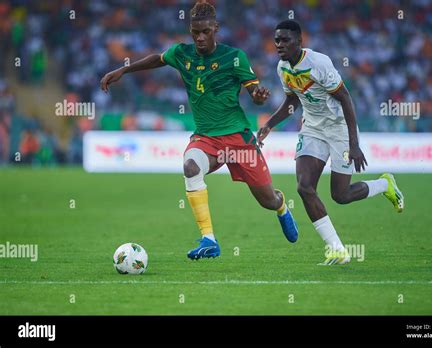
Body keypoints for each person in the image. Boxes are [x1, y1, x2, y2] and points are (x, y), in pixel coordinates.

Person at [100, 1, 298, 260]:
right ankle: (209, 240)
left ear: (216, 28)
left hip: (239, 140)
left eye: (206, 32)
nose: (200, 38)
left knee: (267, 200)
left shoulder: (234, 57)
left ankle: (281, 205)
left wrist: (259, 97)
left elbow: (255, 94)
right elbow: (157, 59)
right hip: (206, 138)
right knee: (191, 166)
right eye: (195, 32)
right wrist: (124, 69)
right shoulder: (182, 54)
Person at [257, 20, 404, 265]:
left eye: (285, 40)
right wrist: (270, 124)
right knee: (304, 187)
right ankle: (337, 249)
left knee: (341, 195)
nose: (279, 45)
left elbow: (346, 99)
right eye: (277, 40)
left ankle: (384, 184)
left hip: (339, 129)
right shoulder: (282, 68)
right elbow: (293, 101)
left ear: (299, 41)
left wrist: (354, 144)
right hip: (312, 128)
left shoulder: (318, 63)